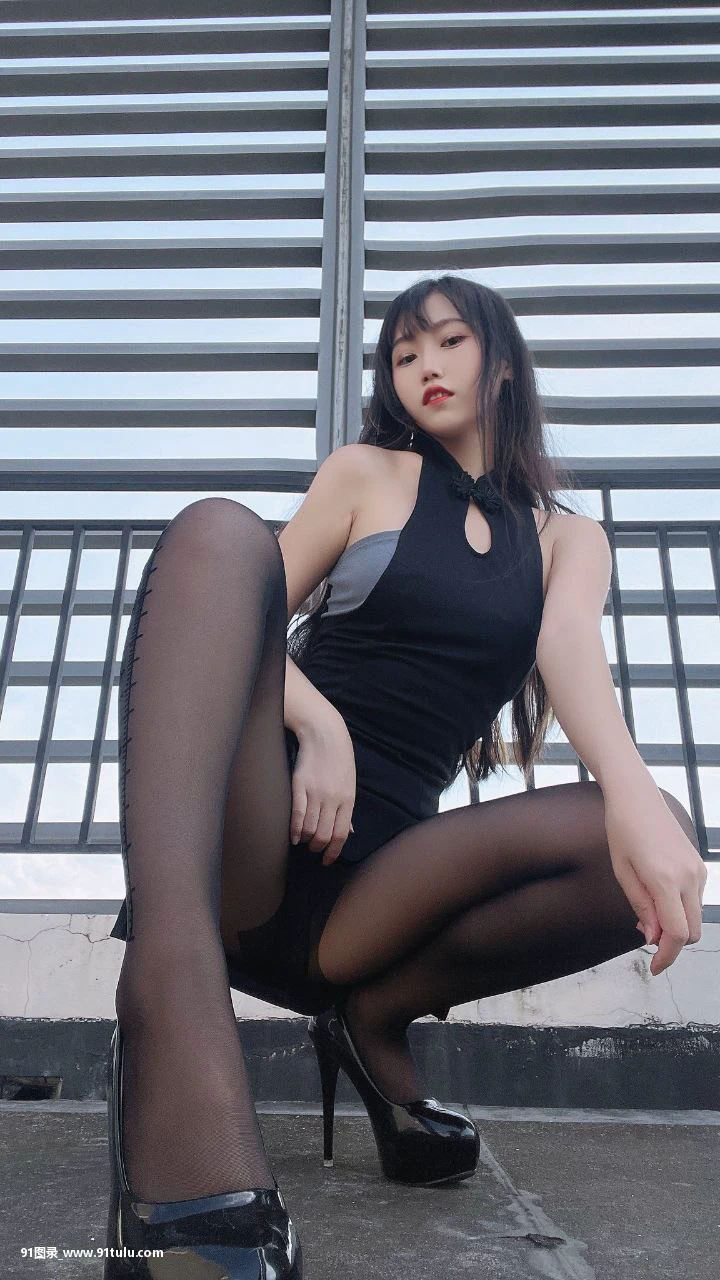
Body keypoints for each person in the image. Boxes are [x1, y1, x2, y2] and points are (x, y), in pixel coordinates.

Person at [104, 274, 706, 1277]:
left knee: (645, 837)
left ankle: (371, 1016)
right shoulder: (364, 475)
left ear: (501, 363)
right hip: (258, 832)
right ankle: (166, 1002)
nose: (424, 364)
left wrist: (638, 801)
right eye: (404, 352)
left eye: (450, 341)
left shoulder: (568, 538)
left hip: (381, 890)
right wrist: (319, 724)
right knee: (220, 535)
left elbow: (569, 653)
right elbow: (246, 620)